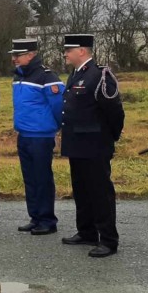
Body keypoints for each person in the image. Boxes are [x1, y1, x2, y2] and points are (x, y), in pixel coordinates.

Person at [60, 34, 125, 258]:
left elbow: (114, 111)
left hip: (95, 144)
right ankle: (86, 232)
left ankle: (108, 240)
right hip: (76, 144)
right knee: (82, 190)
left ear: (82, 51)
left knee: (100, 193)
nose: (65, 54)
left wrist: (110, 137)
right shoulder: (76, 75)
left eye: (69, 50)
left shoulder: (99, 75)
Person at [9, 39, 64, 236]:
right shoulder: (18, 76)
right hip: (23, 134)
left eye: (18, 55)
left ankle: (48, 220)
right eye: (13, 55)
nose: (14, 59)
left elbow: (59, 106)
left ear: (31, 55)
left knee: (42, 178)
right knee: (30, 179)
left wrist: (56, 128)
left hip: (41, 136)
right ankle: (35, 217)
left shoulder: (47, 76)